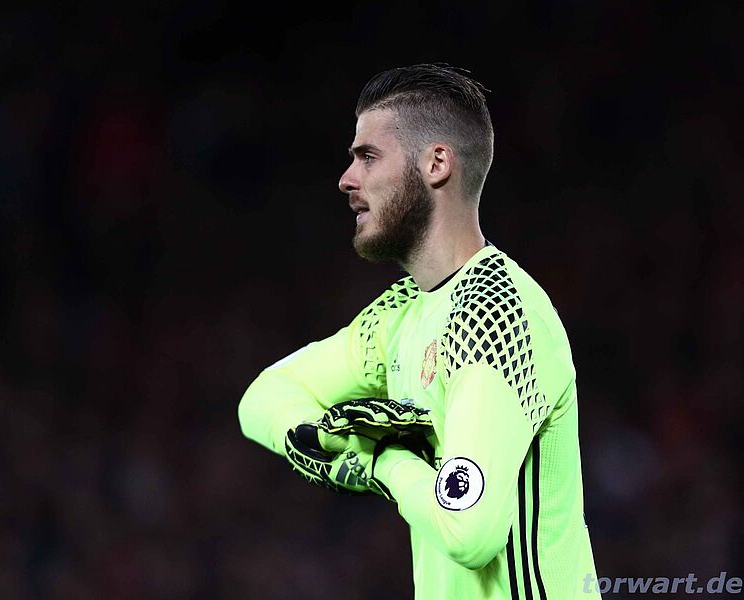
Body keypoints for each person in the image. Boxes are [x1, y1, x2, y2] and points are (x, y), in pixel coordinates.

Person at [238, 63, 600, 599]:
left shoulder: (497, 312)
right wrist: (340, 449)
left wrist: (384, 458)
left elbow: (468, 532)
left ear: (436, 164)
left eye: (368, 157)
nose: (347, 179)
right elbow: (262, 398)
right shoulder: (402, 312)